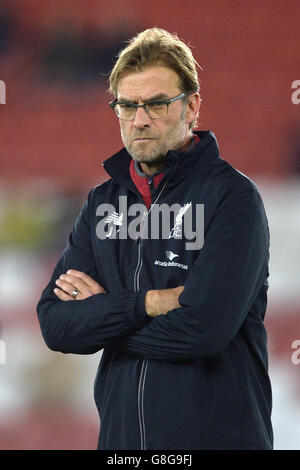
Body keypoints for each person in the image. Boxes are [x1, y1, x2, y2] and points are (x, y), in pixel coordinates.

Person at [36, 27, 273, 450]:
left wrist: (102, 317)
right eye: (127, 106)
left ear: (192, 107)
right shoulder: (101, 203)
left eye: (157, 104)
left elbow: (203, 330)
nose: (140, 119)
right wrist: (147, 303)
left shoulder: (233, 197)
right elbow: (56, 325)